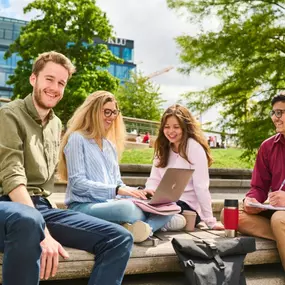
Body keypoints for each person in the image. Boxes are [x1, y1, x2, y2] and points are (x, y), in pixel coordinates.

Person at [0, 51, 133, 285]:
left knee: (119, 238)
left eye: (61, 83)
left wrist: (42, 224)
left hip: (40, 208)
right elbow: (13, 176)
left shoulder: (56, 124)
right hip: (8, 205)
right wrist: (44, 234)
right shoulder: (9, 115)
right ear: (34, 79)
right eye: (49, 79)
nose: (55, 87)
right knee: (28, 222)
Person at [58, 91, 172, 243]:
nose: (111, 117)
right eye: (106, 112)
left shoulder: (109, 145)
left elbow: (118, 183)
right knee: (128, 209)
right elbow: (78, 184)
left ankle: (144, 229)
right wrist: (116, 190)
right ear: (92, 111)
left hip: (109, 204)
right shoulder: (77, 138)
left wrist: (140, 192)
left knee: (169, 205)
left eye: (114, 112)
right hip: (83, 206)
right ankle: (149, 225)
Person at [145, 104, 224, 231]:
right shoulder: (162, 148)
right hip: (162, 203)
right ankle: (150, 224)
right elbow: (154, 179)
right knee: (137, 201)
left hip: (187, 207)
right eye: (167, 127)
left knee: (171, 214)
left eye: (176, 127)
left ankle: (147, 228)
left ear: (185, 128)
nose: (171, 131)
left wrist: (210, 220)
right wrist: (149, 191)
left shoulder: (194, 148)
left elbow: (201, 187)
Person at [230, 94, 285, 270]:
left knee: (279, 220)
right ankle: (281, 234)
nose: (275, 118)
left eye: (281, 112)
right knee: (230, 214)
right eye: (274, 113)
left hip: (280, 215)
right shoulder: (268, 146)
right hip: (277, 210)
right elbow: (259, 186)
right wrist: (251, 200)